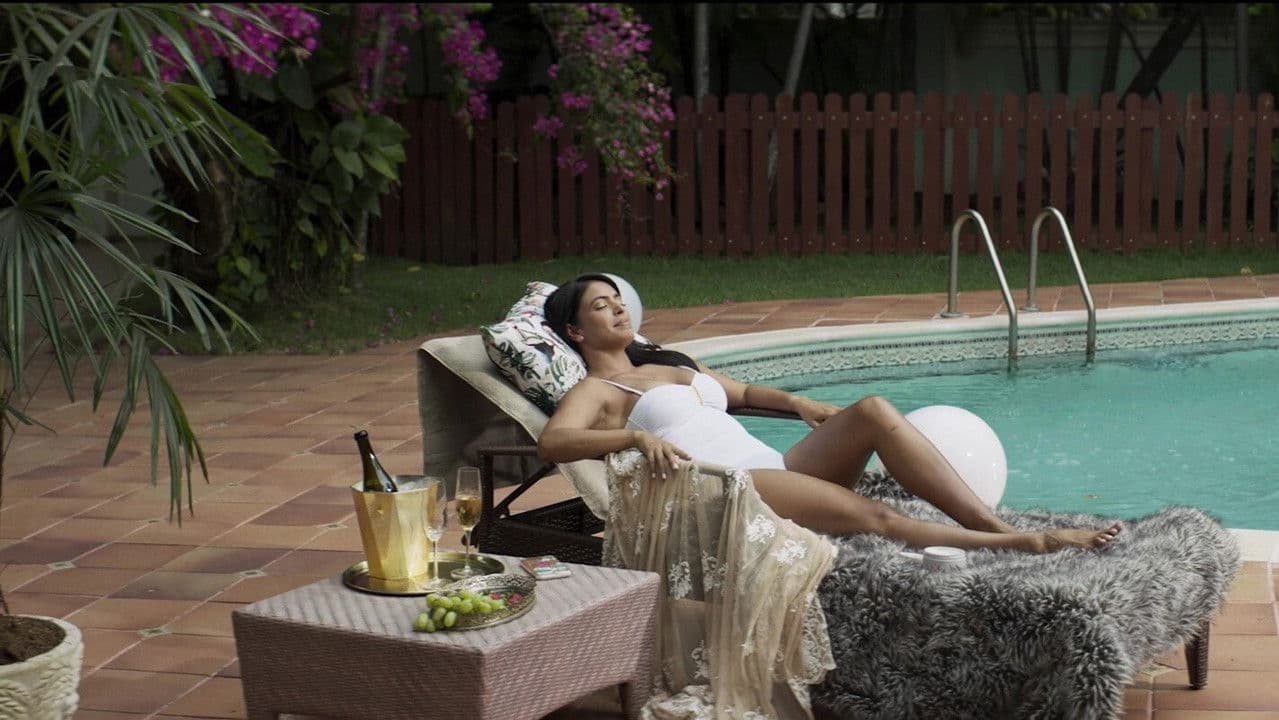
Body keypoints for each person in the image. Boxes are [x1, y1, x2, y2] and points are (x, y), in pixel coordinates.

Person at [539, 273, 1122, 554]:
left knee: (872, 410)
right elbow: (555, 442)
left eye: (618, 300)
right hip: (732, 488)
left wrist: (801, 403)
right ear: (576, 330)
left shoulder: (667, 362)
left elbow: (741, 392)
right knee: (874, 515)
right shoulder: (598, 388)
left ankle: (992, 524)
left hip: (778, 467)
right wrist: (634, 441)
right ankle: (1025, 544)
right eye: (601, 306)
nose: (619, 309)